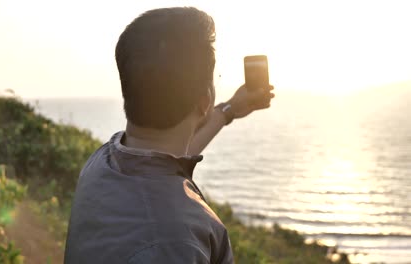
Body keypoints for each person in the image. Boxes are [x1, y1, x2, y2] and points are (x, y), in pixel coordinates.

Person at [65, 7, 274, 264]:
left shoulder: (101, 164)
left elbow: (165, 157)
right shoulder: (179, 240)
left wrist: (228, 111)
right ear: (205, 101)